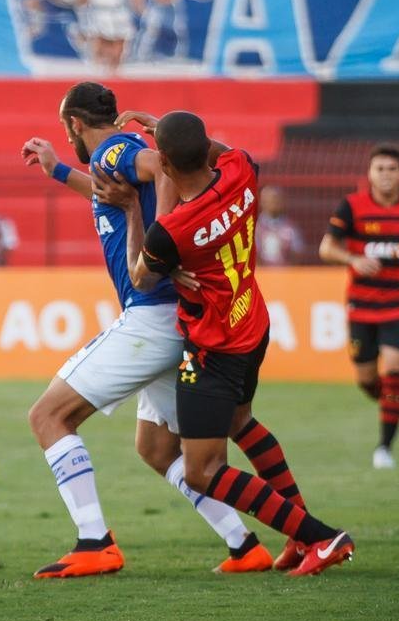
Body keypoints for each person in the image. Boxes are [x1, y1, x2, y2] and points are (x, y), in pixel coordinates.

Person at [20, 82, 310, 577]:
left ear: (73, 124)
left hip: (151, 315)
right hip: (180, 317)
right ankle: (245, 545)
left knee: (48, 417)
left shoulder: (115, 150)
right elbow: (113, 188)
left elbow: (156, 168)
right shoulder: (118, 153)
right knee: (158, 448)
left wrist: (163, 233)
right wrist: (58, 171)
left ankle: (95, 542)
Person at [99, 110, 354, 577]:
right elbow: (216, 150)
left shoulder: (173, 229)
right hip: (251, 323)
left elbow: (140, 274)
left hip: (212, 348)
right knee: (241, 420)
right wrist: (170, 131)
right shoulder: (241, 170)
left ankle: (320, 536)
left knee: (201, 470)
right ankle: (300, 538)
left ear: (167, 168)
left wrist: (132, 211)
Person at [318, 146, 399, 469]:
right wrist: (353, 259)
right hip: (361, 304)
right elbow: (326, 248)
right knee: (366, 379)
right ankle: (392, 402)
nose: (386, 174)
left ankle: (384, 448)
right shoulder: (352, 206)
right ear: (370, 174)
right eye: (380, 169)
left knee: (393, 371)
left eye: (392, 169)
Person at [255, 185, 305, 265]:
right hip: (261, 274)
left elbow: (298, 251)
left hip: (285, 274)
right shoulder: (255, 227)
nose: (273, 203)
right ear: (262, 202)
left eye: (276, 200)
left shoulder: (290, 227)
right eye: (270, 200)